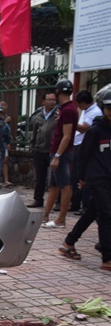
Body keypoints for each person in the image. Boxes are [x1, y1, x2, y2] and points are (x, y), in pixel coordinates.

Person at [77, 89, 111, 270]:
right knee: (106, 215)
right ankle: (107, 257)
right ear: (102, 108)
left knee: (93, 211)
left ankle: (69, 241)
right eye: (109, 108)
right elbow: (83, 155)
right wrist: (82, 178)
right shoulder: (95, 130)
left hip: (109, 178)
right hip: (97, 178)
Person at [43, 80, 77, 228]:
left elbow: (67, 136)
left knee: (65, 186)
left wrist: (57, 156)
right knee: (54, 186)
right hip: (56, 151)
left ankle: (61, 219)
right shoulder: (64, 109)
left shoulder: (68, 109)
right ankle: (46, 216)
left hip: (61, 153)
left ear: (57, 91)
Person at [71, 90, 102, 214]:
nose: (78, 106)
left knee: (83, 177)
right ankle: (76, 203)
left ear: (83, 103)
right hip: (79, 144)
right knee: (76, 176)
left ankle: (86, 205)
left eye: (78, 103)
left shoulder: (95, 112)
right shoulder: (86, 110)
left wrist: (71, 123)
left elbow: (83, 128)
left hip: (86, 146)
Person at [27, 92, 59, 207]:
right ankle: (38, 199)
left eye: (54, 100)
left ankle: (57, 202)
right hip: (39, 150)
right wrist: (33, 148)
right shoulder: (38, 116)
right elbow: (34, 134)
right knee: (39, 178)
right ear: (43, 101)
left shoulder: (58, 115)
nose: (51, 102)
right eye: (49, 100)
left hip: (53, 151)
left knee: (54, 179)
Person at [0, 100, 13, 186]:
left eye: (4, 105)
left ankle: (6, 179)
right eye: (1, 105)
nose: (3, 107)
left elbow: (8, 131)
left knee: (5, 160)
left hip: (4, 141)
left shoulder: (7, 117)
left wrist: (8, 142)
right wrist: (5, 122)